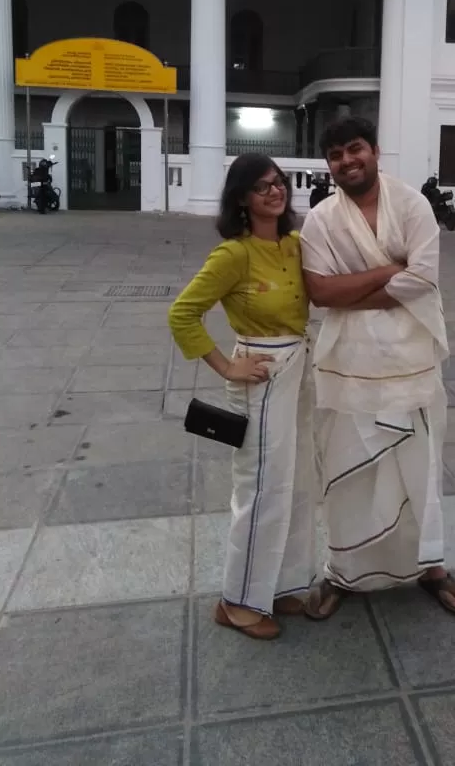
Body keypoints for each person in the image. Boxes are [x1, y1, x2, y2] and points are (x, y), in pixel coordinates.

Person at [299, 116, 455, 618]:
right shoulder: (322, 220)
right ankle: (344, 571)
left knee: (418, 464)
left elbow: (423, 280)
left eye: (355, 149)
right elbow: (319, 292)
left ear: (375, 150)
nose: (347, 161)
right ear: (328, 165)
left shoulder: (413, 204)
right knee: (346, 470)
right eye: (335, 155)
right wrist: (387, 272)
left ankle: (430, 567)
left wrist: (352, 290)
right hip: (347, 363)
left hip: (411, 360)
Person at [168, 154, 316, 640]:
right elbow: (182, 314)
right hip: (261, 376)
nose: (275, 192)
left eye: (278, 183)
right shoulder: (234, 254)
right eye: (261, 187)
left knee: (295, 483)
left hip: (298, 368)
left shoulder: (295, 244)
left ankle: (281, 583)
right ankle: (237, 601)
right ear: (241, 199)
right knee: (261, 490)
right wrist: (228, 365)